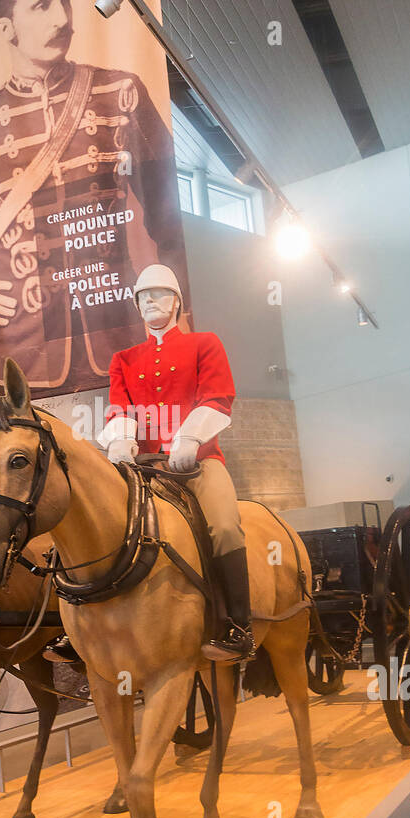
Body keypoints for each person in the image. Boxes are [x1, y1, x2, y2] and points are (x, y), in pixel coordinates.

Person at [0, 0, 189, 393]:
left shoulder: (122, 93)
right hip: (20, 357)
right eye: (42, 5)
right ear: (6, 28)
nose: (63, 18)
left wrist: (170, 299)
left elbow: (168, 213)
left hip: (118, 342)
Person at [46, 263, 254, 664]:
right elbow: (120, 406)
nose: (149, 303)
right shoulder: (124, 358)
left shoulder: (205, 343)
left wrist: (190, 437)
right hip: (143, 468)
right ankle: (79, 626)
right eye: (142, 297)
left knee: (225, 527)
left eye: (158, 294)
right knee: (90, 519)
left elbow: (218, 397)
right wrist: (122, 439)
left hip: (197, 463)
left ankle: (238, 626)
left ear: (176, 300)